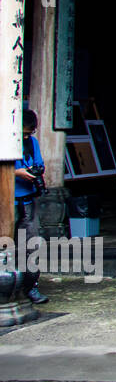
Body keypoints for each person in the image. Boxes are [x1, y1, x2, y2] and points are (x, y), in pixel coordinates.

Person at [14, 109, 48, 304]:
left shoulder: (32, 143)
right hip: (9, 201)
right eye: (24, 132)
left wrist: (35, 171)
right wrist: (17, 173)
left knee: (31, 245)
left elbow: (39, 163)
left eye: (30, 132)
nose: (27, 136)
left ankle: (30, 286)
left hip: (28, 200)